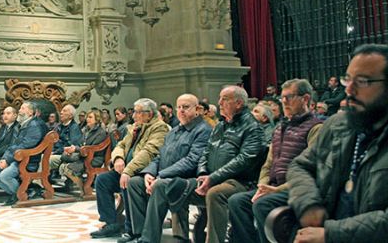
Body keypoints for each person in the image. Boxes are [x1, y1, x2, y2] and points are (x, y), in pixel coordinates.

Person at [288, 44, 388, 243]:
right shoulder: (338, 125)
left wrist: (332, 234)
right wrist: (308, 203)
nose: (349, 90)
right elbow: (300, 165)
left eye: (363, 81)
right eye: (348, 79)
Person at [161, 85, 265, 243]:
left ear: (238, 103)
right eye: (220, 98)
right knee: (177, 187)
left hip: (240, 182)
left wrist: (213, 178)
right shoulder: (220, 126)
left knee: (215, 193)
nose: (220, 102)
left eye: (225, 99)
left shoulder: (252, 128)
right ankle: (180, 239)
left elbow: (244, 159)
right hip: (211, 178)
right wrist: (203, 173)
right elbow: (205, 152)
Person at [228, 79, 322, 243]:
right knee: (237, 201)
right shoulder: (280, 128)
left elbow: (312, 169)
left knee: (262, 204)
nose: (283, 101)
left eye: (289, 97)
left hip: (300, 189)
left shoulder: (316, 128)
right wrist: (262, 186)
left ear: (306, 99)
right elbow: (268, 164)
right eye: (282, 97)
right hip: (273, 187)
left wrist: (276, 190)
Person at [125, 94, 212, 243]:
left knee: (160, 186)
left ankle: (149, 239)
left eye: (186, 107)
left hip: (186, 178)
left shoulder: (203, 130)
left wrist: (161, 175)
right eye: (179, 107)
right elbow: (159, 156)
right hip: (164, 175)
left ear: (197, 109)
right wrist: (149, 173)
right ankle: (138, 234)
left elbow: (191, 161)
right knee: (134, 183)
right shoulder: (174, 131)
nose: (181, 111)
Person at [90, 98, 169, 239]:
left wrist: (127, 171)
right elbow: (120, 145)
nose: (133, 116)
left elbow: (149, 152)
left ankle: (131, 228)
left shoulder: (159, 128)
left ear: (149, 114)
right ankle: (111, 223)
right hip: (126, 169)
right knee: (102, 180)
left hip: (144, 172)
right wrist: (118, 159)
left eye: (137, 112)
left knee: (127, 181)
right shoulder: (135, 127)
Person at [0, 102, 47, 206]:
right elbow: (13, 145)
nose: (19, 111)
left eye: (23, 108)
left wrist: (7, 160)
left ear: (30, 112)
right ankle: (19, 192)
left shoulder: (34, 125)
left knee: (5, 175)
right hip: (18, 159)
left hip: (28, 161)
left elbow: (25, 145)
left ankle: (19, 193)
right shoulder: (24, 124)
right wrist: (5, 158)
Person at [59, 110, 108, 191]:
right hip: (84, 155)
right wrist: (72, 148)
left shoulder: (101, 132)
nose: (87, 119)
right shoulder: (86, 130)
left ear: (97, 119)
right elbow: (81, 143)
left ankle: (83, 187)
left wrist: (76, 149)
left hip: (94, 158)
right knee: (64, 156)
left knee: (68, 168)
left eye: (90, 117)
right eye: (87, 117)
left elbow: (93, 148)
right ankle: (72, 184)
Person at [49, 105, 83, 178]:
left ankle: (41, 181)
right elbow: (52, 141)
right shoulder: (59, 126)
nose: (61, 112)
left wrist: (55, 152)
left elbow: (71, 145)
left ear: (70, 116)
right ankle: (43, 179)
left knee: (48, 159)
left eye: (64, 111)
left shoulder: (74, 127)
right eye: (61, 111)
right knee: (41, 156)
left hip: (66, 154)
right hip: (56, 152)